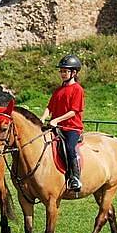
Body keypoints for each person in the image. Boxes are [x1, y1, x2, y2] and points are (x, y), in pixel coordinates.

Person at [40, 54, 85, 191]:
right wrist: (42, 118)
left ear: (74, 72)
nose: (63, 74)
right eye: (61, 71)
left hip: (72, 128)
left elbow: (74, 111)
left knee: (70, 149)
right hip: (56, 126)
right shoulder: (58, 90)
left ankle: (75, 178)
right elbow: (50, 107)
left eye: (65, 71)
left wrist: (56, 120)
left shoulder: (78, 89)